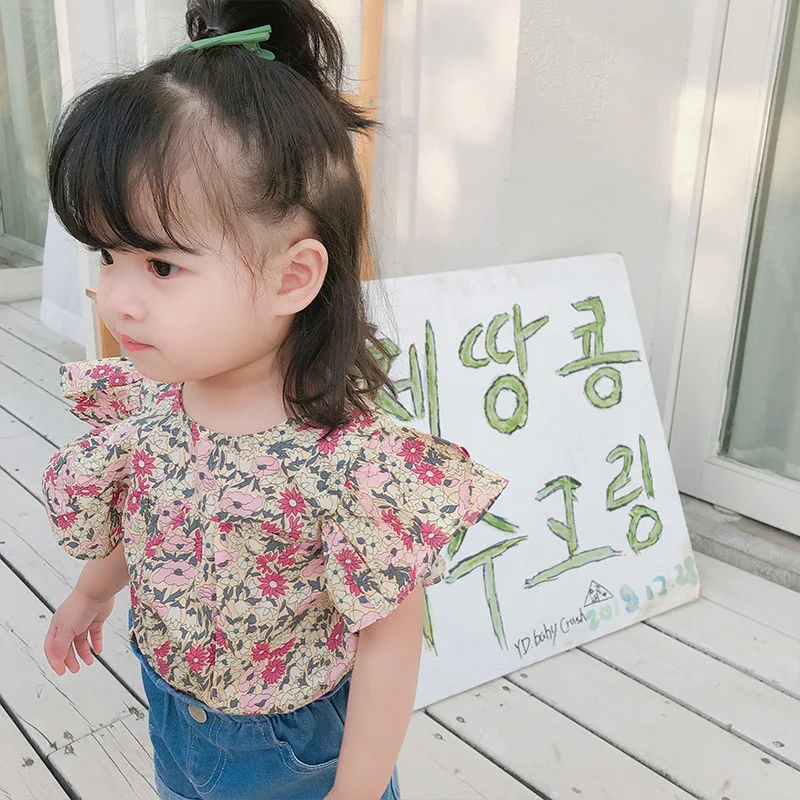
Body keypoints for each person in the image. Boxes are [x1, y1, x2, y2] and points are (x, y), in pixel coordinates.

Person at [40, 2, 507, 799]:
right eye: (108, 255)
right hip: (172, 713)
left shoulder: (349, 464)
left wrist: (354, 791)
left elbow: (389, 645)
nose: (117, 299)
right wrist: (92, 590)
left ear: (293, 277)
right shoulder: (157, 407)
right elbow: (151, 519)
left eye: (160, 266)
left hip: (292, 751)